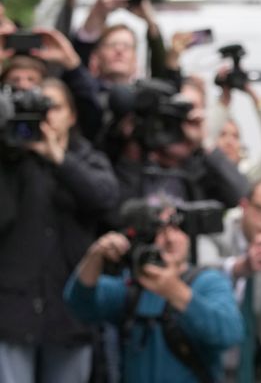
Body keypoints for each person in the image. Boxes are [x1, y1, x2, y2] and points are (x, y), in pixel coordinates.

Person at [0, 78, 119, 383]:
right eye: (37, 108)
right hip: (13, 312)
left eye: (52, 106)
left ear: (72, 115)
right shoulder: (11, 160)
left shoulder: (87, 158)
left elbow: (105, 199)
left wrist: (60, 160)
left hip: (70, 316)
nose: (46, 116)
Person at [64, 199, 244, 383]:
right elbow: (79, 302)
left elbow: (229, 333)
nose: (169, 238)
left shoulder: (208, 281)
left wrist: (174, 291)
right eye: (160, 230)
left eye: (177, 228)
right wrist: (96, 254)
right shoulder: (135, 286)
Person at [197, 178, 261, 382]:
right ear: (244, 206)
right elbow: (200, 274)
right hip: (205, 357)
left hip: (259, 363)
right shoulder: (214, 233)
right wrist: (240, 267)